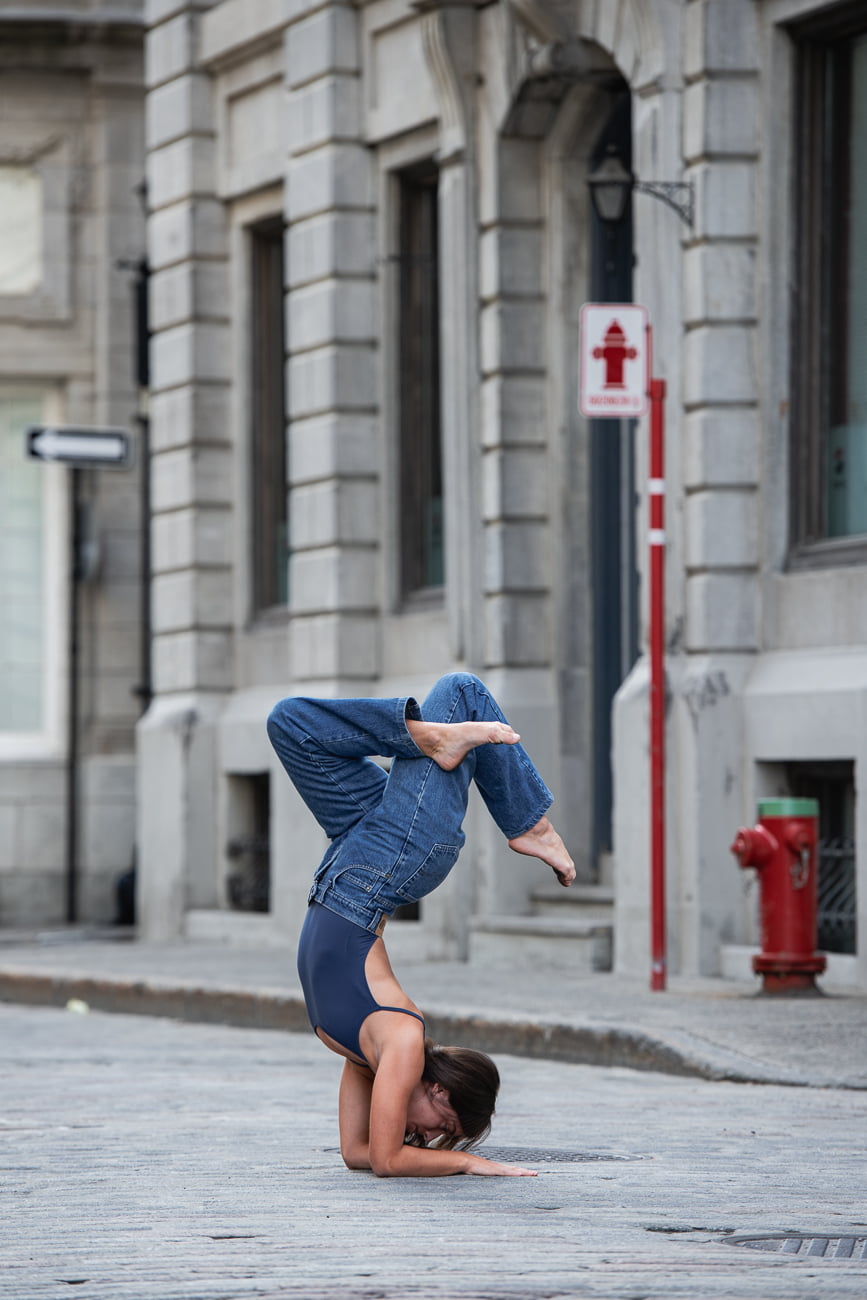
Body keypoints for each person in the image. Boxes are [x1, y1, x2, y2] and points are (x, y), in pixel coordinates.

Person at [267, 671, 575, 1178]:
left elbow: (361, 1153)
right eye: (443, 1125)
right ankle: (531, 824)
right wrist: (468, 1163)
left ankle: (426, 739)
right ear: (439, 1090)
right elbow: (390, 1159)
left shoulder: (369, 1056)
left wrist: (429, 1154)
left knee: (289, 723)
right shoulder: (404, 1041)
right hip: (394, 858)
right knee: (462, 692)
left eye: (439, 1139)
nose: (429, 1137)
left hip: (353, 848)